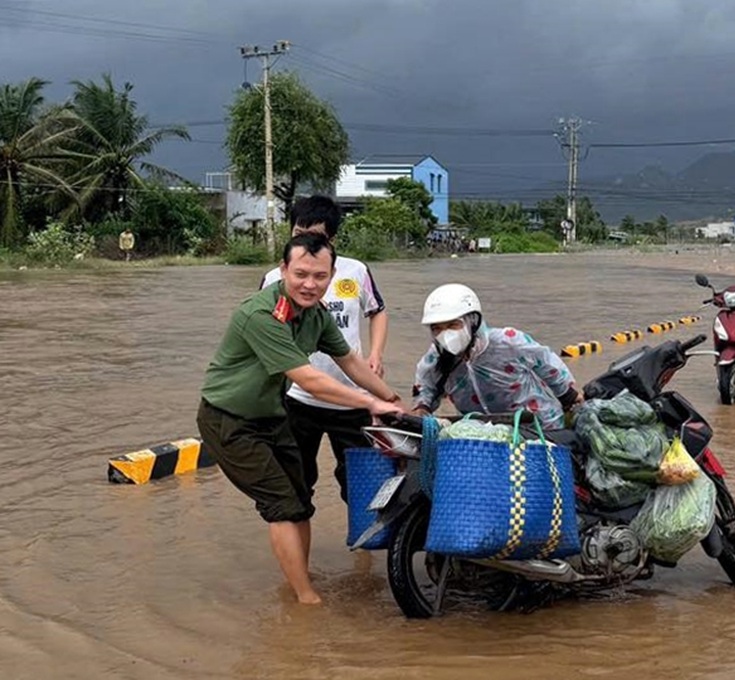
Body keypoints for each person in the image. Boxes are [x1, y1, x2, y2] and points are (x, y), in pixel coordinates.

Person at [197, 232, 404, 605]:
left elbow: (350, 361)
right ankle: (307, 601)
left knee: (299, 501)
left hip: (271, 416)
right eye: (301, 274)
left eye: (320, 276)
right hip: (229, 421)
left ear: (332, 274)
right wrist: (369, 403)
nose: (310, 284)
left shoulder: (315, 315)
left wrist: (391, 398)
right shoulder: (260, 315)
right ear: (283, 271)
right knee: (282, 505)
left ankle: (299, 580)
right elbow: (309, 379)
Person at [260, 195, 388, 504]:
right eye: (298, 234)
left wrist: (375, 354)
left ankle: (362, 551)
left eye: (314, 236)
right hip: (297, 399)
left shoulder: (355, 271)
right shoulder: (275, 279)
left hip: (352, 399)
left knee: (362, 486)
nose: (305, 245)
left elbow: (377, 311)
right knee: (295, 483)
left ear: (331, 238)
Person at [411, 283, 582, 430]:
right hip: (482, 434)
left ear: (472, 321)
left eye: (452, 325)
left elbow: (547, 364)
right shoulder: (436, 357)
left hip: (536, 427)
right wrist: (422, 407)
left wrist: (569, 397)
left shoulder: (508, 341)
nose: (445, 334)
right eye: (437, 328)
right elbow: (425, 386)